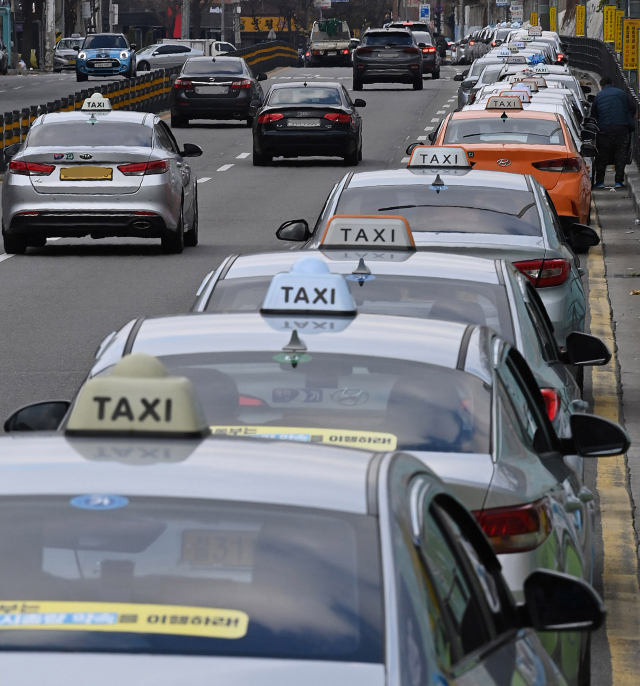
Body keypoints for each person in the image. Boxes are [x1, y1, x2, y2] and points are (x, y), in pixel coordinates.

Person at [591, 76, 637, 188]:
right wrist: (626, 119)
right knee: (620, 156)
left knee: (602, 156)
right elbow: (633, 109)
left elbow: (593, 116)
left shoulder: (599, 96)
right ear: (612, 83)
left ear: (601, 86)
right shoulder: (622, 94)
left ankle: (600, 182)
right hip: (621, 129)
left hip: (604, 131)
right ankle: (618, 182)